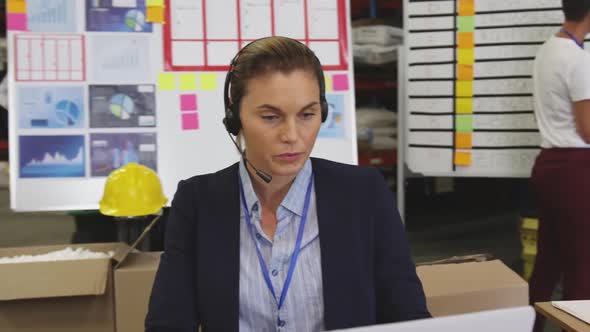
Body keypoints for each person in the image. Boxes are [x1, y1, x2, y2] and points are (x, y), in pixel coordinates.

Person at [146, 36, 430, 332]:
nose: (292, 135)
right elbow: (168, 323)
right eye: (270, 117)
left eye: (307, 114)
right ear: (235, 118)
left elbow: (409, 317)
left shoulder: (364, 194)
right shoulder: (197, 202)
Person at [530, 1, 590, 331]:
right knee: (583, 265)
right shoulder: (579, 59)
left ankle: (529, 325)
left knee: (548, 261)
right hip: (576, 168)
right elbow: (587, 129)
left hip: (548, 165)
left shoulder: (547, 50)